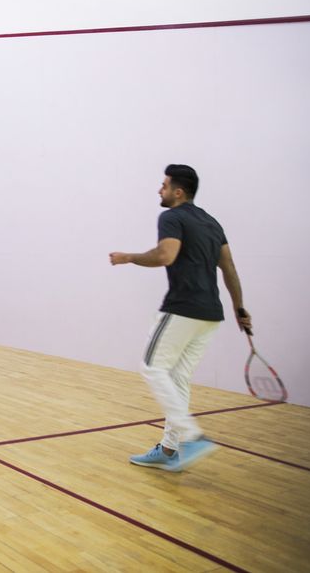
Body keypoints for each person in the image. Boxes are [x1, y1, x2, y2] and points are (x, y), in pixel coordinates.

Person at [110, 164, 250, 472]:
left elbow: (165, 255)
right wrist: (240, 309)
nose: (159, 190)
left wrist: (128, 257)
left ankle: (191, 437)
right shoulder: (212, 223)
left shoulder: (171, 217)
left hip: (183, 308)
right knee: (178, 378)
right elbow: (229, 268)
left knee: (151, 367)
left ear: (178, 191)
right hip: (211, 314)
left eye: (164, 185)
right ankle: (169, 449)